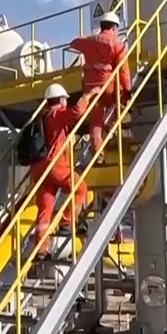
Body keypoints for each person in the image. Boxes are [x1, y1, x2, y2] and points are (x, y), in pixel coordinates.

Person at [30, 83, 100, 260]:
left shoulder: (42, 117)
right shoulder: (57, 114)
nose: (66, 102)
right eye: (65, 99)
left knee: (45, 208)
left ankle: (41, 249)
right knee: (80, 188)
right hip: (54, 164)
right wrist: (89, 95)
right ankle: (66, 223)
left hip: (38, 168)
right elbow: (76, 112)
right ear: (61, 100)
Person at [69, 11, 132, 159]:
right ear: (114, 27)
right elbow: (123, 70)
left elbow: (73, 43)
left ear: (101, 26)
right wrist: (128, 89)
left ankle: (97, 153)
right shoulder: (117, 44)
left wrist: (90, 39)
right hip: (108, 85)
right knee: (122, 101)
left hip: (90, 87)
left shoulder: (89, 41)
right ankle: (112, 124)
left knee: (95, 121)